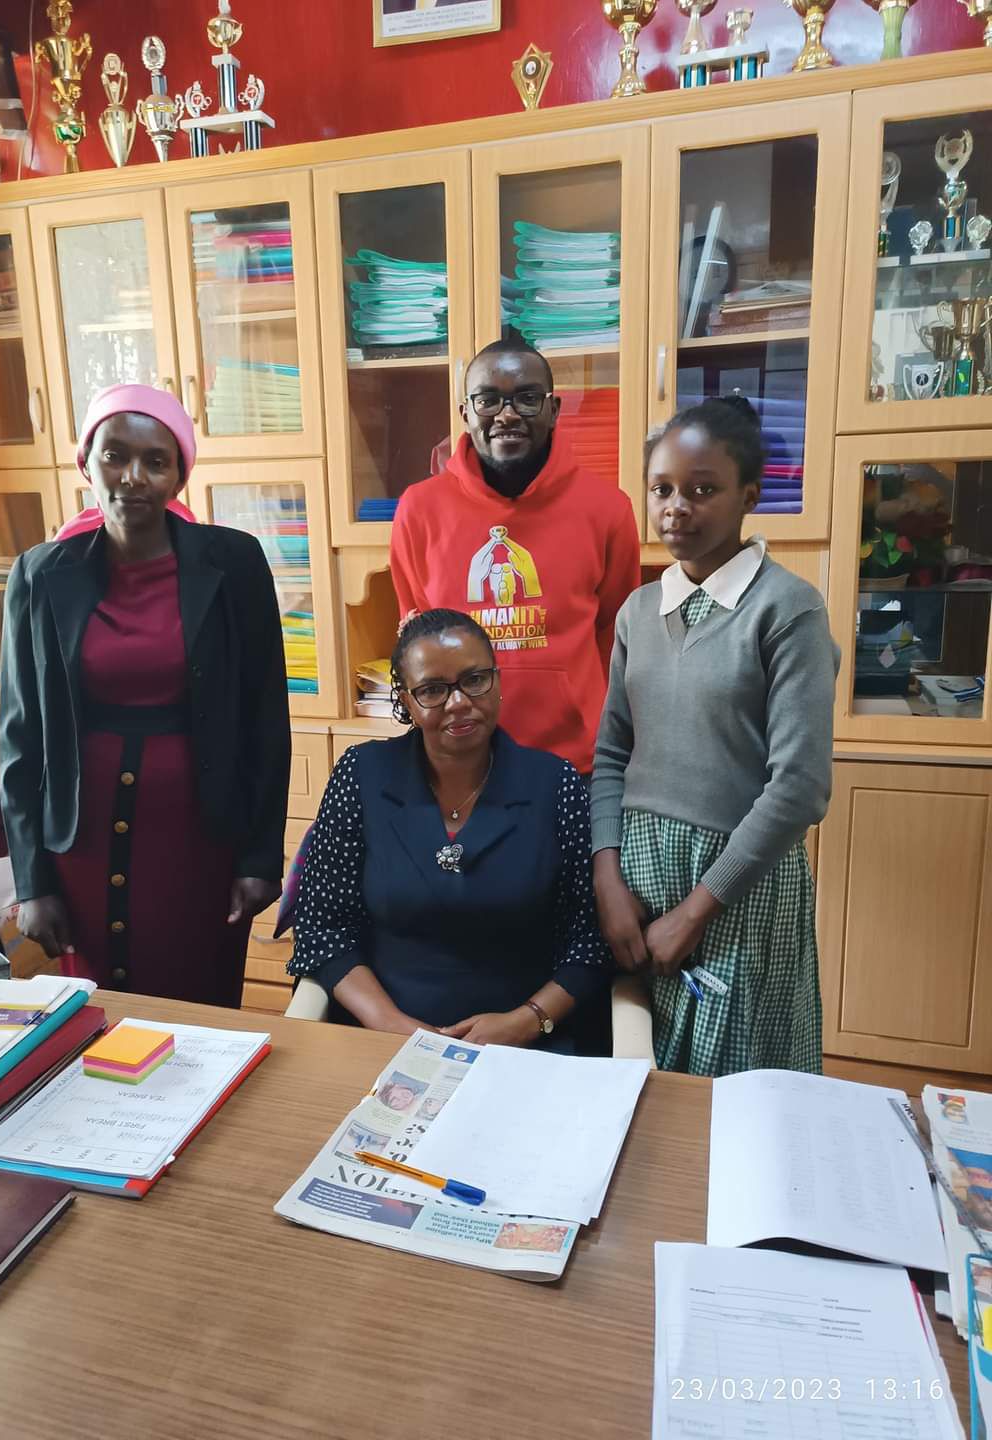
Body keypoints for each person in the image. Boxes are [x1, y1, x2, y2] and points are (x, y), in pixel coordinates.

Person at [0, 383, 291, 1006]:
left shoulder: (234, 563)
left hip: (200, 841)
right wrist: (31, 882)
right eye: (115, 456)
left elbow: (266, 720)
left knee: (200, 1012)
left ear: (178, 474)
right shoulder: (40, 574)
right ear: (87, 461)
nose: (133, 477)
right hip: (78, 845)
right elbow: (20, 741)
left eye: (156, 461)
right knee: (98, 1017)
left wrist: (261, 856)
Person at [591, 396, 839, 1076]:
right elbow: (611, 753)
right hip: (640, 891)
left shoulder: (787, 610)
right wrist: (608, 877)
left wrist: (695, 912)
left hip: (737, 891)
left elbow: (799, 787)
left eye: (703, 490)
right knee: (644, 1080)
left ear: (748, 495)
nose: (677, 508)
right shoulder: (639, 611)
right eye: (661, 489)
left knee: (737, 1092)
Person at [288, 609, 610, 1053]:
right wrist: (391, 1025)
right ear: (405, 699)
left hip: (524, 1043)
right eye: (433, 690)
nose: (458, 702)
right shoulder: (361, 776)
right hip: (383, 1036)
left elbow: (590, 939)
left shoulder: (557, 785)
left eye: (474, 680)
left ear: (497, 681)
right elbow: (322, 927)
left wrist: (526, 1022)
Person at [390, 338, 641, 775]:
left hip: (575, 763)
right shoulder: (419, 509)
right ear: (465, 412)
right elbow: (420, 643)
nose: (506, 415)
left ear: (554, 409)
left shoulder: (607, 508)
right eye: (488, 400)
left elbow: (615, 638)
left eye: (526, 399)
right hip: (458, 763)